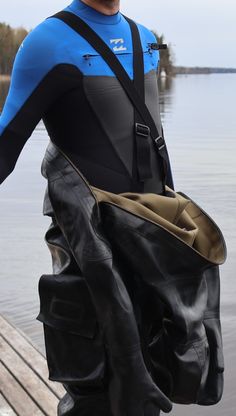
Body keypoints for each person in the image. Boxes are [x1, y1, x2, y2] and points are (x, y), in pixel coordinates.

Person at [0, 1, 174, 414]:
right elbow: (4, 148)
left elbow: (152, 152)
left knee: (152, 387)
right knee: (93, 391)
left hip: (151, 246)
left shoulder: (145, 39)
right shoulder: (48, 43)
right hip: (87, 251)